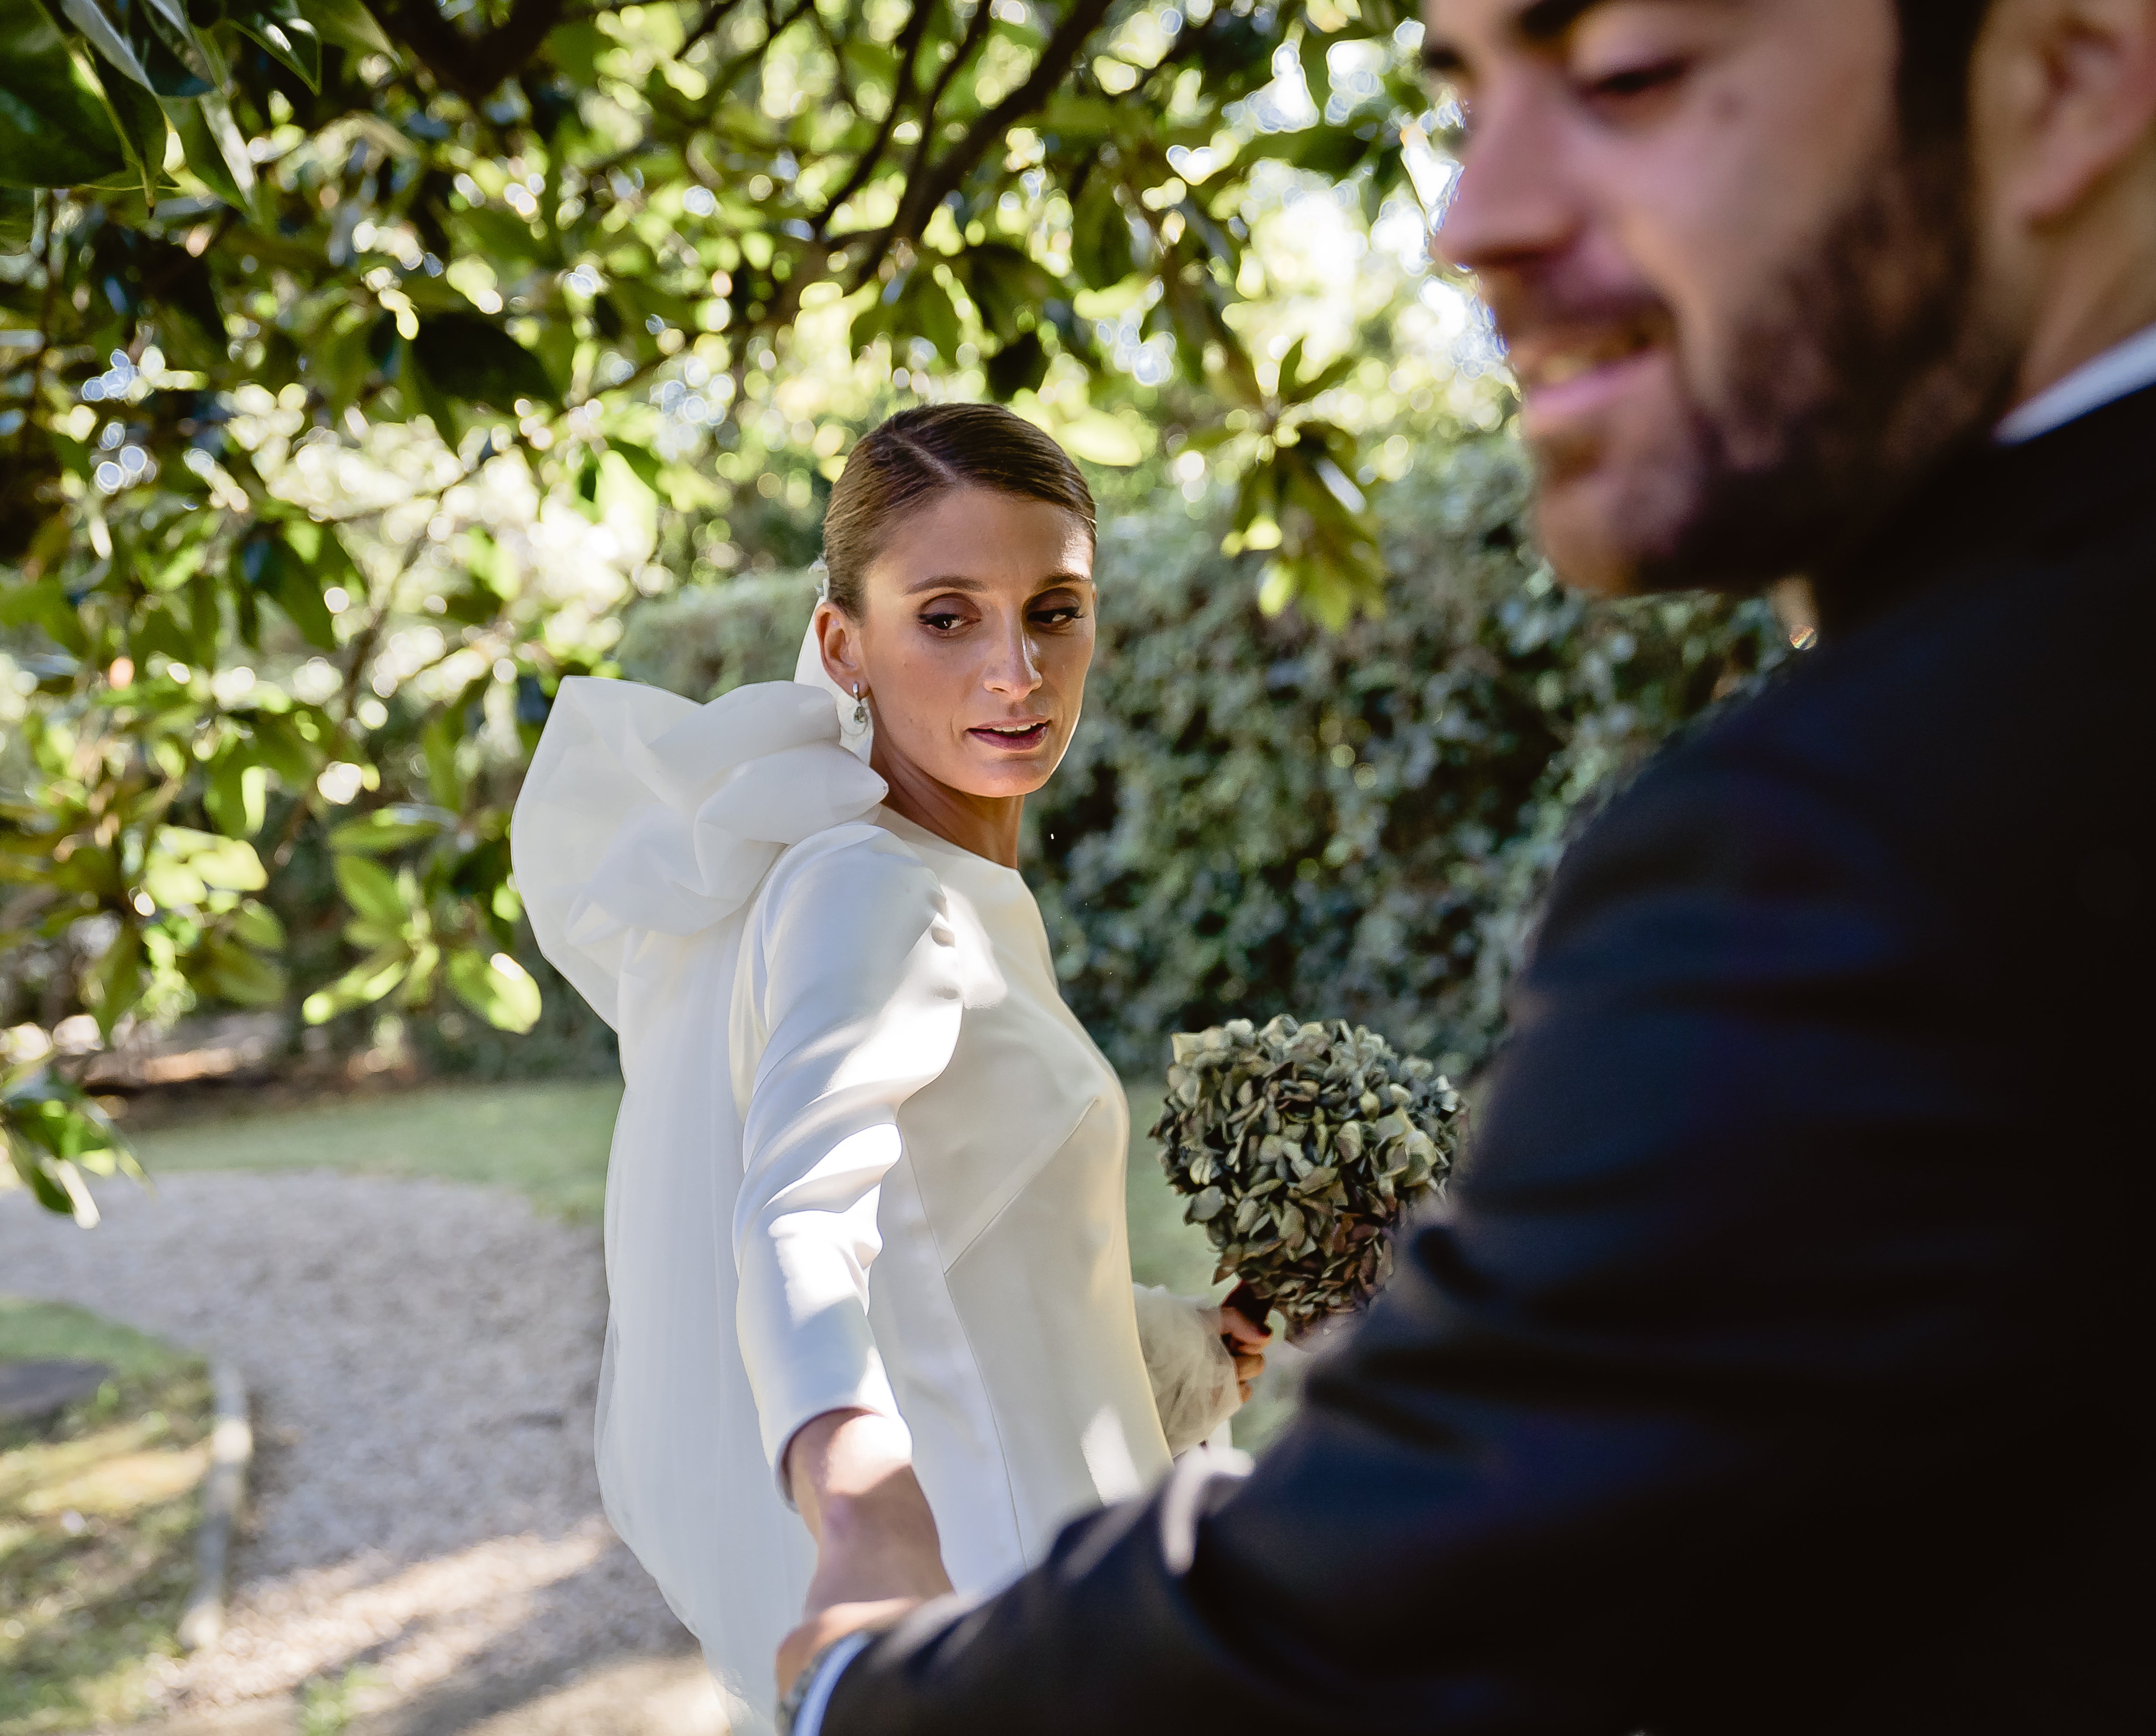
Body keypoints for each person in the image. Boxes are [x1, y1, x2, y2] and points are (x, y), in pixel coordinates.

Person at [776, 1, 2155, 1730]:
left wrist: (852, 1679)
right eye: (1463, 95)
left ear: (2069, 71)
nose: (1466, 221)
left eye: (1626, 75)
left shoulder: (1868, 833)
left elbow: (1384, 1601)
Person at [510, 404, 1268, 1732]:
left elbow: (961, 1263)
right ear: (841, 645)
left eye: (1055, 609)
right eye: (947, 616)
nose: (1017, 672)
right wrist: (862, 1514)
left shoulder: (954, 891)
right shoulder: (866, 889)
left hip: (1085, 1560)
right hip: (996, 1598)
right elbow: (799, 1215)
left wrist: (1190, 1345)